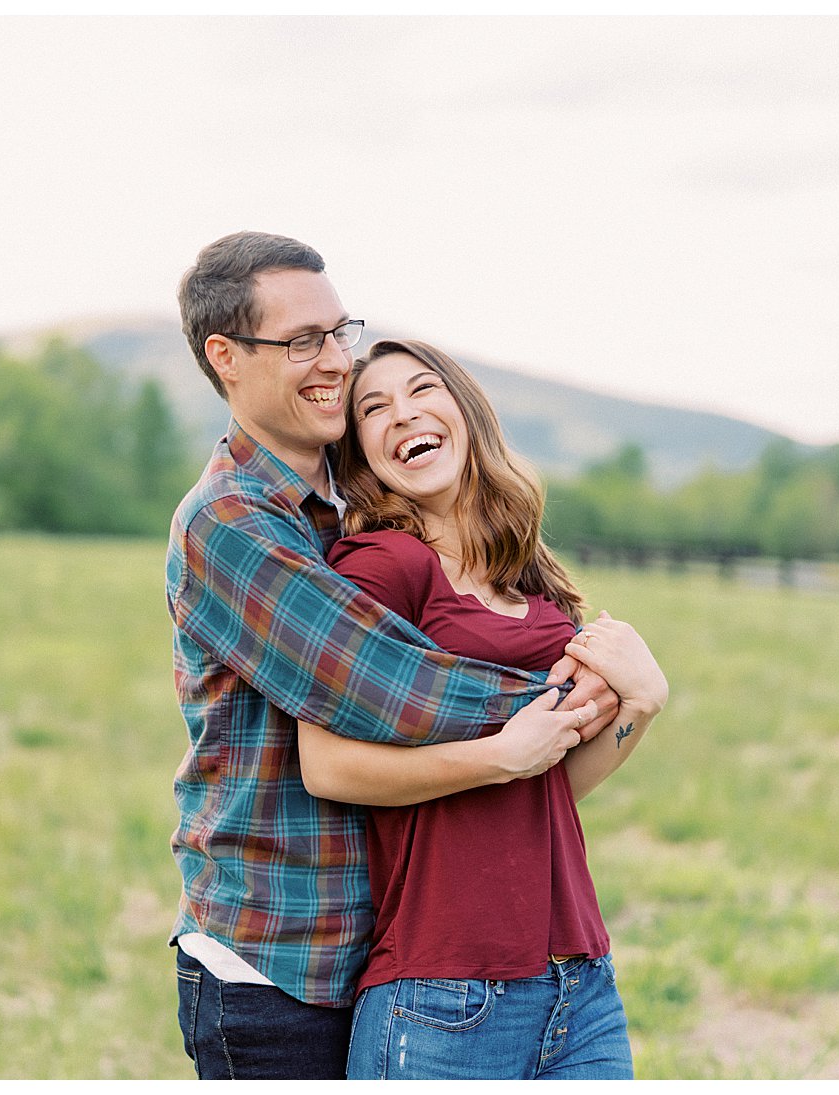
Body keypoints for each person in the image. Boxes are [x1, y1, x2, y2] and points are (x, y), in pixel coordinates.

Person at [166, 232, 621, 1079]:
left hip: (382, 949)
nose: (335, 359)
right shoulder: (232, 523)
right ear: (224, 356)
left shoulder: (346, 516)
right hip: (280, 964)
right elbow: (391, 688)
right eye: (303, 340)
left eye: (339, 331)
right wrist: (582, 687)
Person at [295, 339, 669, 1080]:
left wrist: (644, 702)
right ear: (362, 449)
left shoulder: (538, 591)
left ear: (464, 411)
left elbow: (546, 787)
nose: (404, 415)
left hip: (579, 980)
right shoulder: (383, 566)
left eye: (422, 390)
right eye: (374, 408)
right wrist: (499, 754)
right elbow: (326, 765)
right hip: (444, 989)